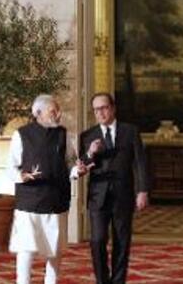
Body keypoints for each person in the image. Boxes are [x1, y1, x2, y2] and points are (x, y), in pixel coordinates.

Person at [77, 92, 149, 284]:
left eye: (104, 108)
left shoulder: (130, 131)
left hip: (123, 195)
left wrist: (142, 190)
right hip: (98, 197)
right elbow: (81, 167)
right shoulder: (87, 135)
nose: (100, 113)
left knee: (122, 242)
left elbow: (140, 162)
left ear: (113, 108)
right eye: (96, 110)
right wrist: (90, 153)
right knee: (97, 240)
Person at [5, 94, 73, 284]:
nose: (58, 114)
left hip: (56, 200)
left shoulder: (63, 134)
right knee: (26, 249)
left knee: (54, 250)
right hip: (29, 202)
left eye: (58, 110)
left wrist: (78, 170)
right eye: (53, 111)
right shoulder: (22, 134)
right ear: (38, 113)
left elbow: (70, 163)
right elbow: (10, 167)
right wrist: (22, 176)